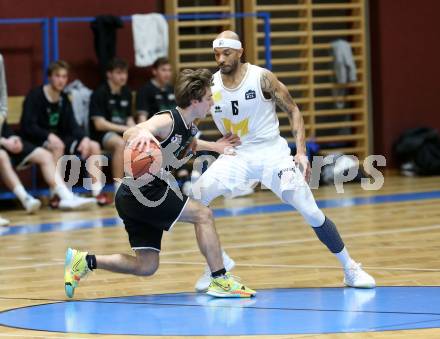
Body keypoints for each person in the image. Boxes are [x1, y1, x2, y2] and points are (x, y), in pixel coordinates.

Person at [192, 31, 376, 292]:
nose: (220, 59)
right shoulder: (210, 85)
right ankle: (215, 264)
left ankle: (350, 268)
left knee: (311, 211)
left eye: (226, 53)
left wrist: (300, 152)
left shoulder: (261, 78)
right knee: (196, 200)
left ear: (240, 51)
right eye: (216, 54)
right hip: (235, 154)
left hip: (272, 154)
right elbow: (192, 118)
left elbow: (293, 109)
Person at [64, 68, 255, 299]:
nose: (211, 103)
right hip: (145, 191)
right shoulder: (168, 119)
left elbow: (191, 144)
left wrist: (216, 147)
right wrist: (142, 133)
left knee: (146, 266)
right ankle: (220, 279)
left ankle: (84, 261)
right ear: (194, 101)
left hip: (131, 196)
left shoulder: (189, 125)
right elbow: (131, 132)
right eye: (208, 98)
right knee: (203, 214)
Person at [19, 60, 100, 207]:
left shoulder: (64, 98)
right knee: (57, 146)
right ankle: (57, 195)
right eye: (57, 76)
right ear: (49, 77)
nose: (61, 80)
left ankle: (97, 193)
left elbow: (73, 124)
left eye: (64, 76)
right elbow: (27, 126)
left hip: (59, 140)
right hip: (35, 140)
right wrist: (48, 135)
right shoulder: (35, 96)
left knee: (93, 145)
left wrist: (85, 138)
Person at [0, 121, 95, 211]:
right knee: (2, 156)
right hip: (4, 146)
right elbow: (29, 126)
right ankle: (25, 198)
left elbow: (4, 127)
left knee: (46, 156)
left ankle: (66, 196)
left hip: (9, 145)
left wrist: (14, 138)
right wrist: (3, 141)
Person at [89, 58, 135, 193]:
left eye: (125, 73)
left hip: (121, 132)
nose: (123, 76)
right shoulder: (99, 93)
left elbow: (129, 118)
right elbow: (99, 124)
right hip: (101, 135)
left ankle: (144, 187)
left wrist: (136, 129)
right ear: (109, 74)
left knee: (144, 142)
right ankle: (118, 188)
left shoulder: (126, 92)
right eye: (119, 73)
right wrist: (126, 129)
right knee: (120, 144)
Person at [135, 57, 176, 122]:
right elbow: (142, 119)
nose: (167, 74)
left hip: (173, 128)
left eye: (169, 70)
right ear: (154, 71)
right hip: (155, 129)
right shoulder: (145, 90)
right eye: (164, 70)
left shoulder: (172, 89)